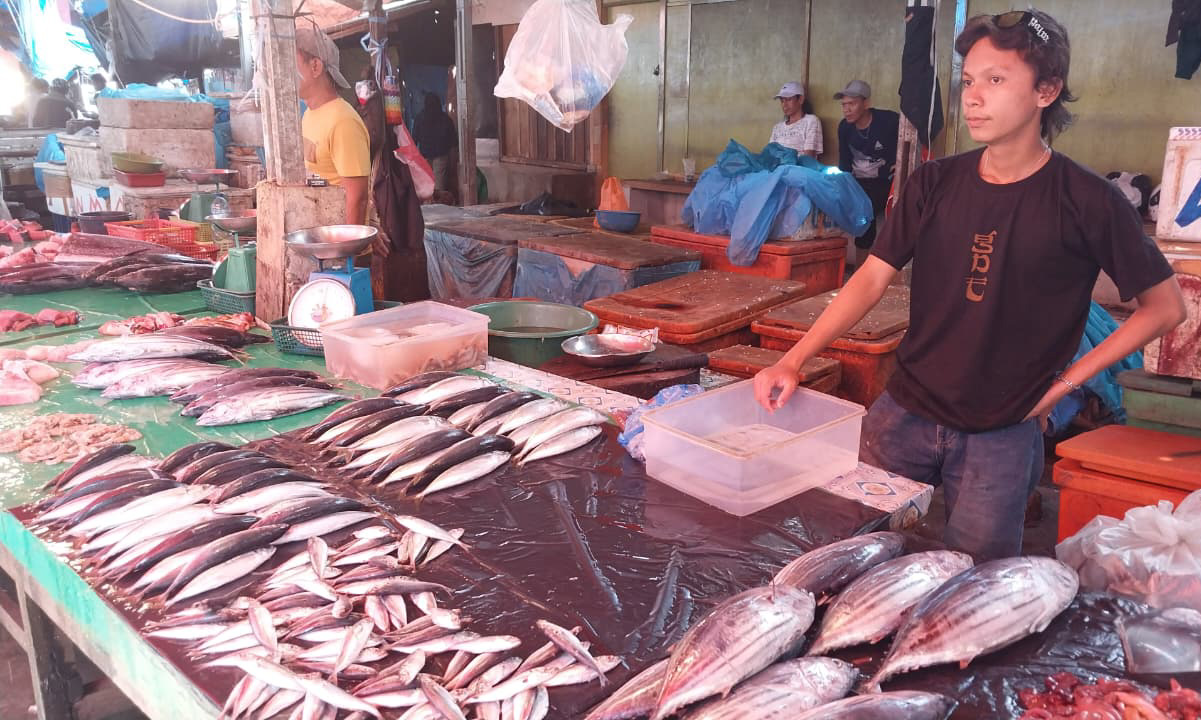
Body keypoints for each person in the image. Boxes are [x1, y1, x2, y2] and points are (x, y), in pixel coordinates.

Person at [753, 9, 1186, 560]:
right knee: (846, 553)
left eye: (996, 80)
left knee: (976, 580)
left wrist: (1066, 384)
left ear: (1046, 91)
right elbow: (870, 279)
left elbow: (1164, 307)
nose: (974, 98)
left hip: (1003, 431)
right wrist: (793, 359)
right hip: (904, 411)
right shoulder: (934, 182)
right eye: (969, 81)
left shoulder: (1087, 200)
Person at [295, 24, 371, 227]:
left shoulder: (343, 121)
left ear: (315, 66)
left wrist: (347, 245)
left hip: (337, 241)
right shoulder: (308, 115)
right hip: (319, 234)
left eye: (291, 63)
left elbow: (357, 198)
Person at [834, 80, 900, 268]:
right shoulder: (844, 127)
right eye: (843, 105)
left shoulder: (889, 121)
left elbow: (913, 137)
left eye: (852, 104)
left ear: (866, 103)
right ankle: (848, 265)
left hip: (885, 181)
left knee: (866, 208)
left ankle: (862, 268)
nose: (846, 110)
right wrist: (841, 185)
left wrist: (901, 163)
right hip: (857, 182)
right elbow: (844, 163)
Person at [412, 92, 458, 193]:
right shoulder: (446, 119)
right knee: (439, 186)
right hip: (440, 156)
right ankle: (438, 201)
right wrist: (453, 162)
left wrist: (413, 159)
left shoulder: (420, 118)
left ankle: (429, 201)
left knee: (426, 185)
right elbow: (453, 143)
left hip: (425, 156)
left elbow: (414, 139)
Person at [769, 81, 822, 158]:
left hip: (798, 165)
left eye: (789, 99)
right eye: (782, 101)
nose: (784, 105)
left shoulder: (811, 121)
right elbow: (770, 154)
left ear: (801, 99)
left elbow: (808, 158)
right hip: (776, 165)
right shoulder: (777, 127)